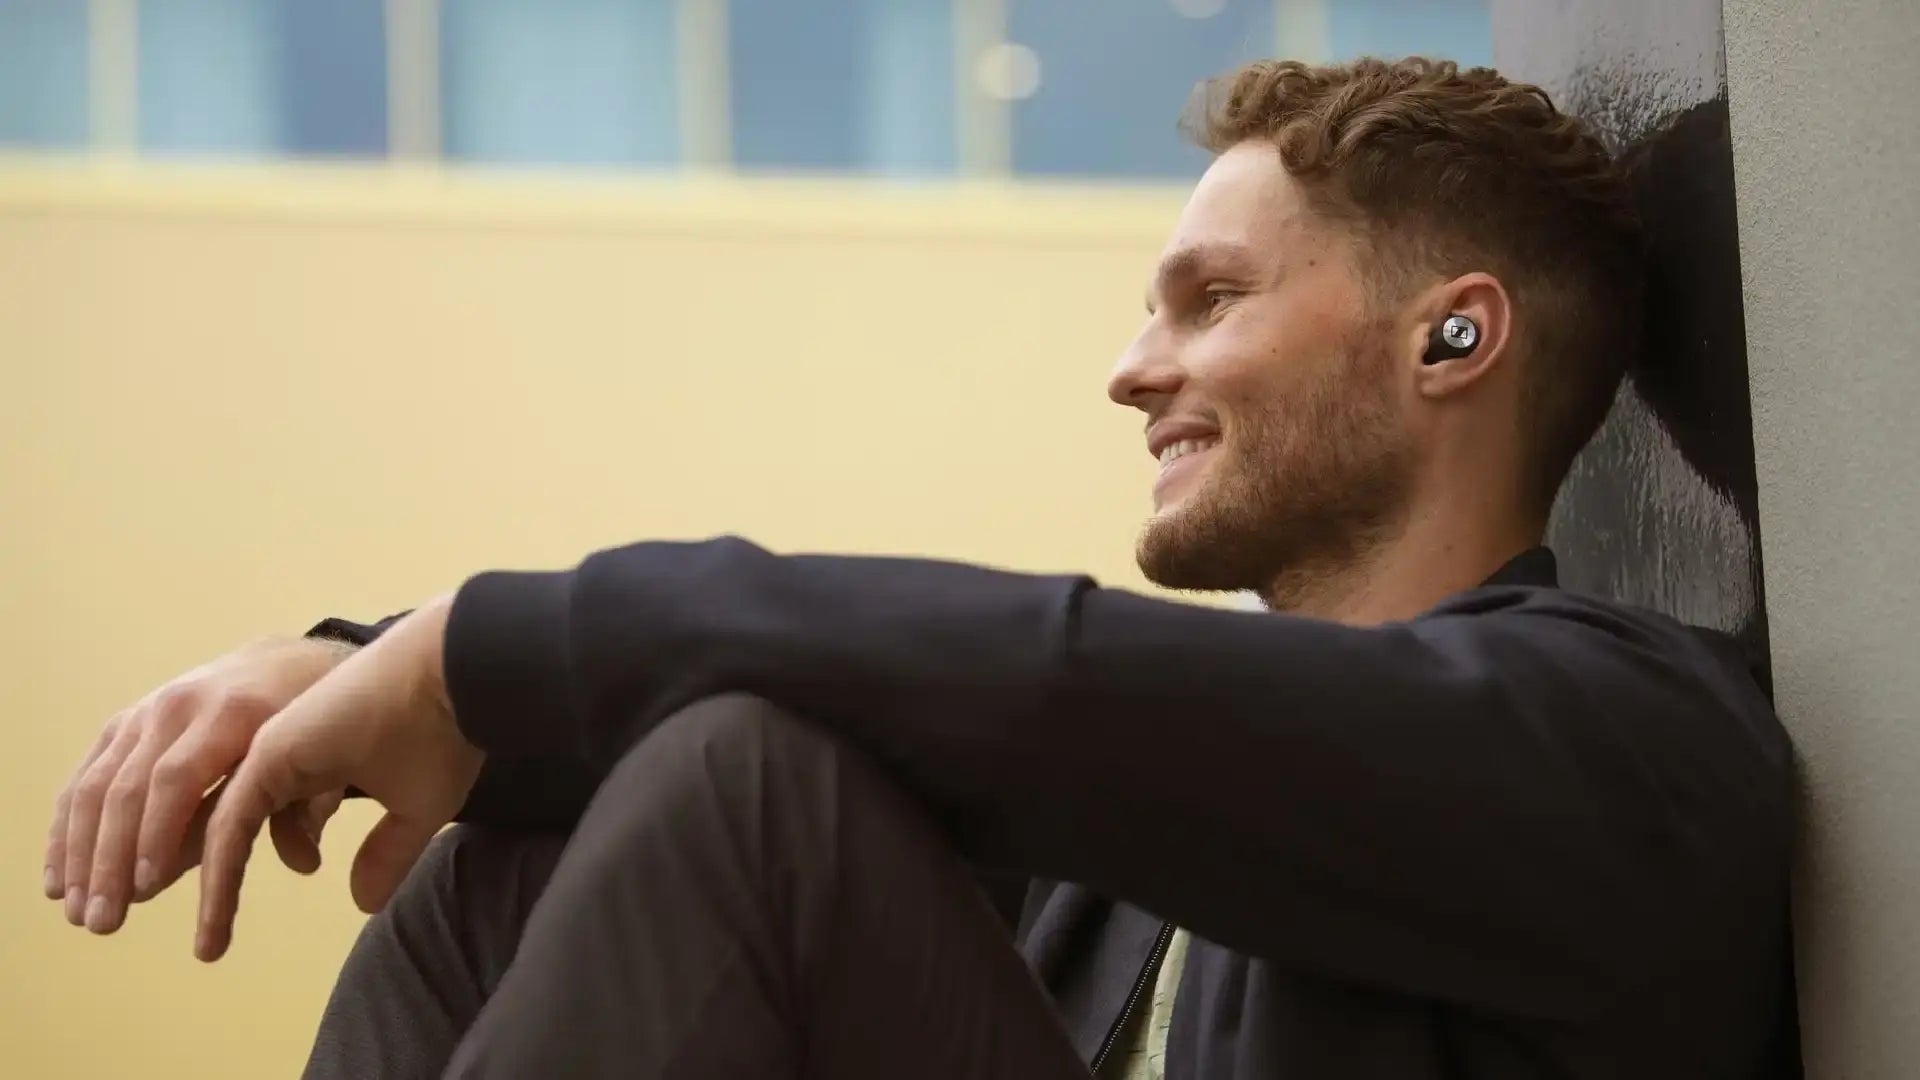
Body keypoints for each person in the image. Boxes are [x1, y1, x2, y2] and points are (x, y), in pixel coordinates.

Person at [43, 57, 1794, 1079]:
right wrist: (360, 666)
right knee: (530, 843)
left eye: (1211, 301)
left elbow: (1045, 685)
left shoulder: (1615, 742)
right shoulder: (1132, 864)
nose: (1134, 371)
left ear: (1452, 337)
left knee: (745, 788)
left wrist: (466, 648)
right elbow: (932, 701)